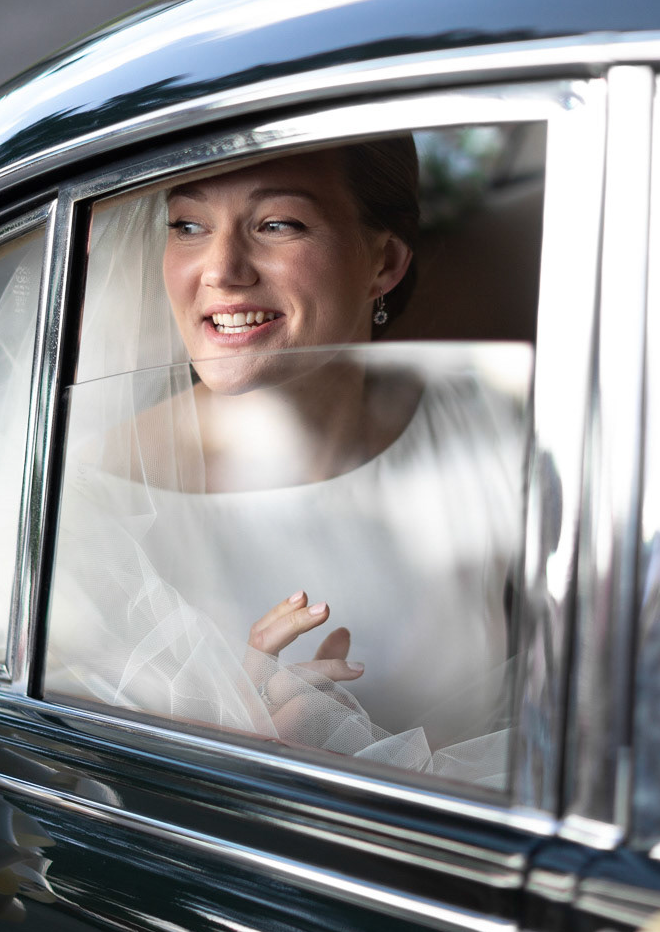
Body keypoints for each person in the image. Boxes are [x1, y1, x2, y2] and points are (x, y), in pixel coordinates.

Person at [42, 137, 530, 784]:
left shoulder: (487, 425)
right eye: (188, 225)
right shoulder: (78, 501)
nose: (220, 269)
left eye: (277, 224)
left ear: (383, 261)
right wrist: (240, 733)